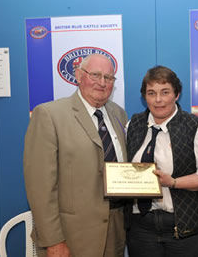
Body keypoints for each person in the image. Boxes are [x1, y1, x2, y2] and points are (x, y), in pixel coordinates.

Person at [23, 54, 128, 257]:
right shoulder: (49, 114)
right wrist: (53, 240)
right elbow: (40, 187)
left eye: (108, 78)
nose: (102, 82)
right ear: (79, 75)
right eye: (95, 75)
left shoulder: (118, 114)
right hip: (71, 238)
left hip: (115, 232)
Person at [125, 65, 198, 257]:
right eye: (151, 93)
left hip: (185, 229)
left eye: (165, 92)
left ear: (177, 95)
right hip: (141, 228)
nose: (158, 99)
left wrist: (174, 182)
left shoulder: (196, 127)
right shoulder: (132, 125)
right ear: (145, 97)